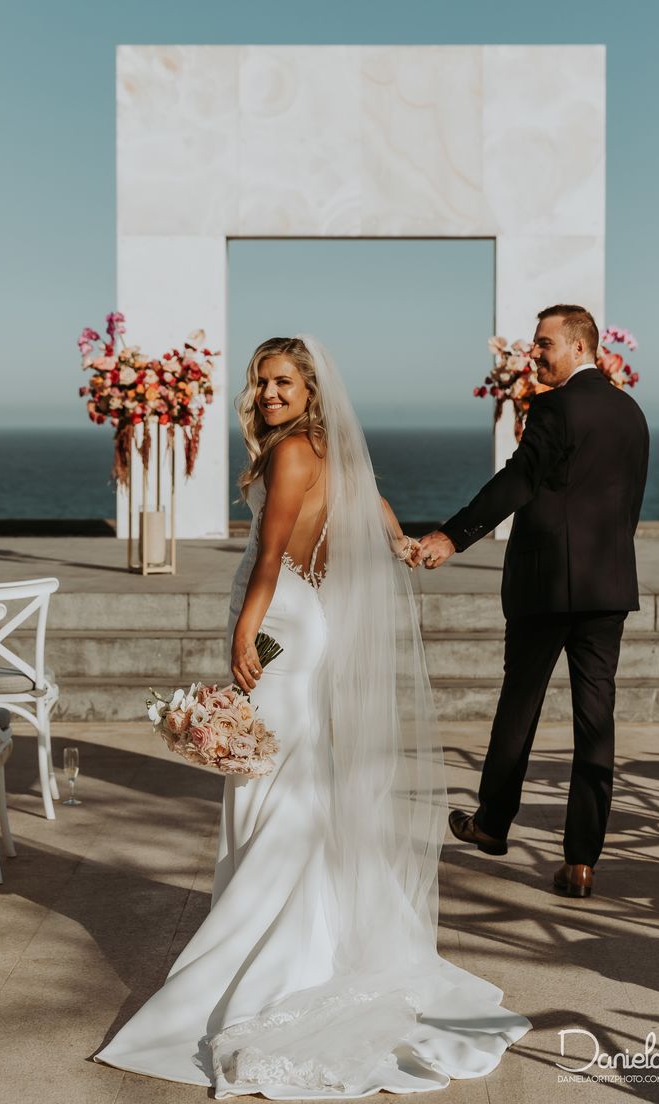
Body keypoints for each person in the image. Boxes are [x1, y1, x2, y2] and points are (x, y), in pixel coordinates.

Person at [94, 335, 530, 1098]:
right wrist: (395, 537)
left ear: (311, 390)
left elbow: (267, 556)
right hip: (303, 622)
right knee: (292, 778)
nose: (268, 393)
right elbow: (371, 499)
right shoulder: (326, 451)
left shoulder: (293, 455)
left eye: (283, 381)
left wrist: (240, 632)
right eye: (262, 382)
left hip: (284, 626)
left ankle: (275, 956)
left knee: (273, 782)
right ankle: (311, 934)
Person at [419, 305, 650, 899]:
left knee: (519, 705)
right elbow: (628, 506)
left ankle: (493, 824)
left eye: (545, 344)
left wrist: (453, 534)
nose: (535, 355)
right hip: (608, 588)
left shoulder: (555, 407)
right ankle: (581, 861)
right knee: (595, 720)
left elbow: (519, 480)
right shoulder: (632, 413)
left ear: (578, 345)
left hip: (547, 586)